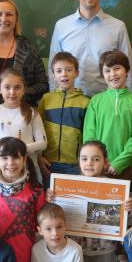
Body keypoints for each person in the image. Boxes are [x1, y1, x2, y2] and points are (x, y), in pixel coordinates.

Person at [45, 140, 132, 262]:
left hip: (105, 250)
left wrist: (128, 208)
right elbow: (55, 216)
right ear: (78, 161)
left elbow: (120, 223)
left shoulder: (115, 187)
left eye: (96, 159)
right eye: (84, 158)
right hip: (77, 250)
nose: (89, 163)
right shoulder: (67, 186)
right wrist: (52, 201)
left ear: (105, 162)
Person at [48, 0, 132, 96]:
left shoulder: (118, 27)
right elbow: (53, 69)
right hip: (70, 103)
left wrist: (131, 103)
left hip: (107, 104)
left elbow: (128, 70)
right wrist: (54, 101)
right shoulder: (61, 26)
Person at [83, 50, 132, 180]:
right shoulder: (95, 101)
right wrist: (98, 161)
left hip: (125, 167)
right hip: (97, 167)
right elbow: (89, 135)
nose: (112, 74)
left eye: (117, 68)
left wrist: (119, 163)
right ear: (102, 74)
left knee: (122, 201)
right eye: (107, 70)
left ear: (127, 70)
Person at [0, 68, 47, 183]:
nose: (12, 92)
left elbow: (43, 143)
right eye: (7, 87)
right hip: (3, 171)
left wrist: (21, 150)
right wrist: (3, 151)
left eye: (17, 87)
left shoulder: (32, 112)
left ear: (23, 89)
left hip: (28, 168)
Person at [37, 52, 90, 187]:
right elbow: (38, 130)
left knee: (73, 202)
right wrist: (39, 157)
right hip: (49, 163)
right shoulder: (46, 99)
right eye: (59, 71)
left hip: (74, 164)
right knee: (51, 202)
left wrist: (83, 159)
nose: (64, 74)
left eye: (69, 70)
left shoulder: (85, 102)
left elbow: (88, 134)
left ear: (77, 73)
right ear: (53, 76)